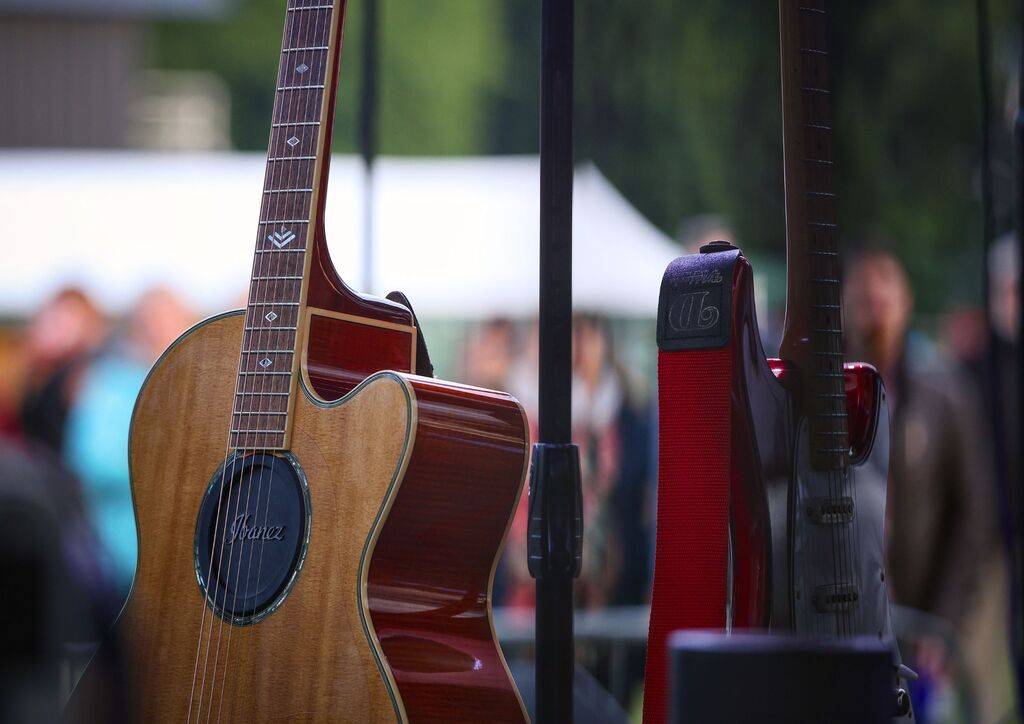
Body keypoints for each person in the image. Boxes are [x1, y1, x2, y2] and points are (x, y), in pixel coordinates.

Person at [844, 249, 997, 720]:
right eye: (864, 298)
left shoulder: (943, 396)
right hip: (846, 627)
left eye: (884, 296)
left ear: (906, 303)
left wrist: (943, 623)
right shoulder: (821, 396)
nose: (876, 309)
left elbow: (973, 517)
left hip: (920, 629)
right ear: (847, 305)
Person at [63, 288, 194, 597]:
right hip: (121, 554)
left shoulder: (193, 384)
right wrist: (170, 467)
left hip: (183, 558)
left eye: (172, 323)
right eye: (155, 323)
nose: (164, 332)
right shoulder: (109, 383)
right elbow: (88, 458)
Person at [17, 288, 107, 455]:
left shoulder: (83, 373)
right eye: (53, 320)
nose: (55, 329)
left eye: (66, 322)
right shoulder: (40, 371)